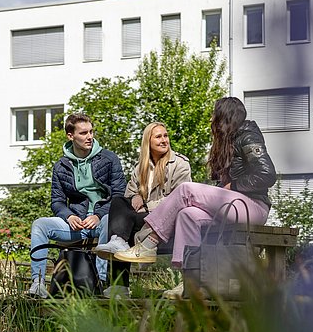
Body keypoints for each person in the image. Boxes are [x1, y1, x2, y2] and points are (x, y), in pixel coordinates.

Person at [113, 97, 277, 299]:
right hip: (232, 205)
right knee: (187, 214)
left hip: (253, 206)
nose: (211, 119)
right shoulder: (228, 140)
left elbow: (267, 174)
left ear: (225, 117)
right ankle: (189, 284)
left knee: (185, 190)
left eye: (215, 114)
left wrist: (233, 186)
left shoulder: (248, 135)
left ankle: (148, 243)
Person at [27, 113, 127, 298]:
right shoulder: (61, 166)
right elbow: (56, 200)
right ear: (70, 136)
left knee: (108, 221)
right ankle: (38, 283)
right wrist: (69, 216)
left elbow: (120, 195)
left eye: (91, 132)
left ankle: (100, 282)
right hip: (76, 223)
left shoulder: (109, 159)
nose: (89, 137)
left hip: (101, 221)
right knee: (39, 225)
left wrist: (98, 215)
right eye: (83, 133)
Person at [94, 122, 191, 298]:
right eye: (159, 137)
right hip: (144, 218)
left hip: (166, 221)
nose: (164, 140)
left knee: (121, 222)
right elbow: (129, 194)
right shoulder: (141, 168)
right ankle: (119, 286)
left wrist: (146, 204)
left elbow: (179, 199)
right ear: (148, 141)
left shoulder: (180, 164)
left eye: (166, 136)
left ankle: (119, 250)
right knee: (118, 204)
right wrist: (134, 197)